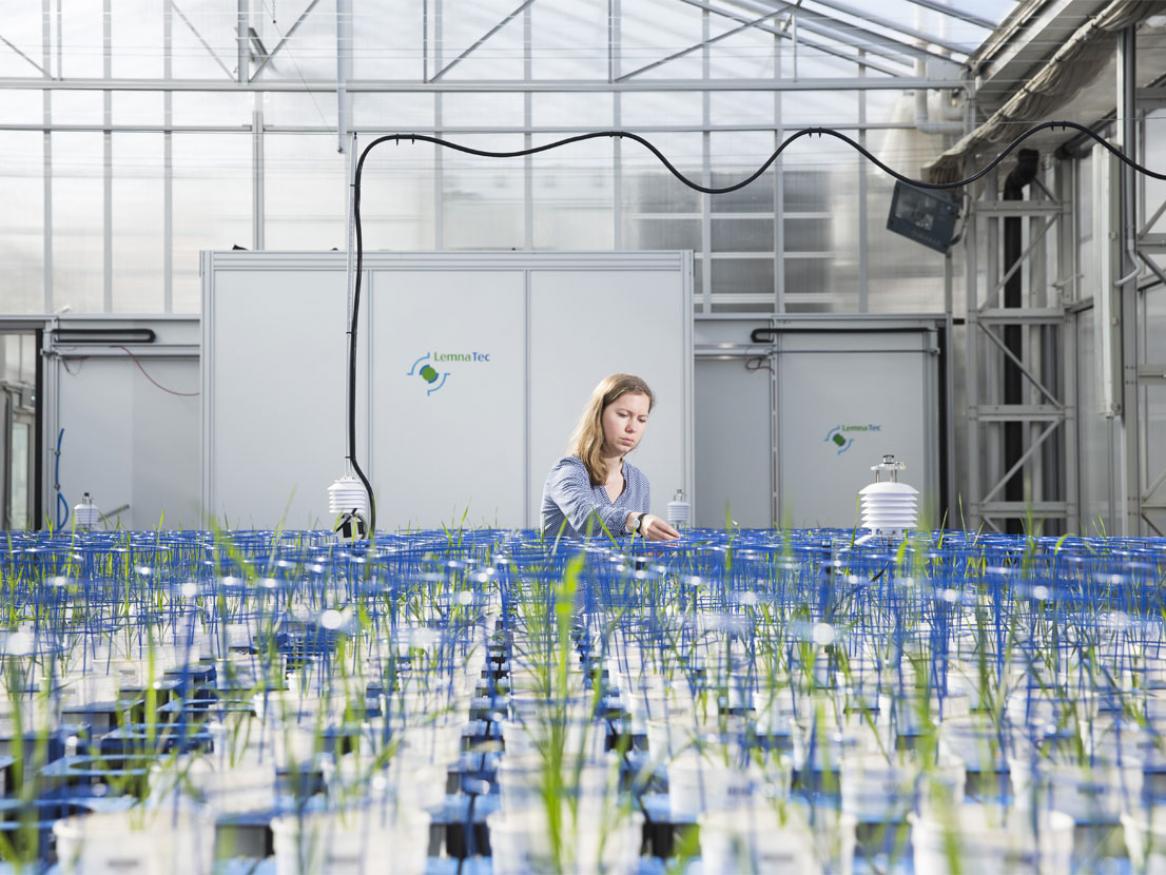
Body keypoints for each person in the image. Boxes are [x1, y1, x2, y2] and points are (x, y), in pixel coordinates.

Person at [540, 373, 681, 541]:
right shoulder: (568, 470)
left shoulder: (639, 482)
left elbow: (637, 549)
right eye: (622, 415)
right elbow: (584, 516)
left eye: (641, 419)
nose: (632, 427)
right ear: (597, 416)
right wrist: (637, 520)